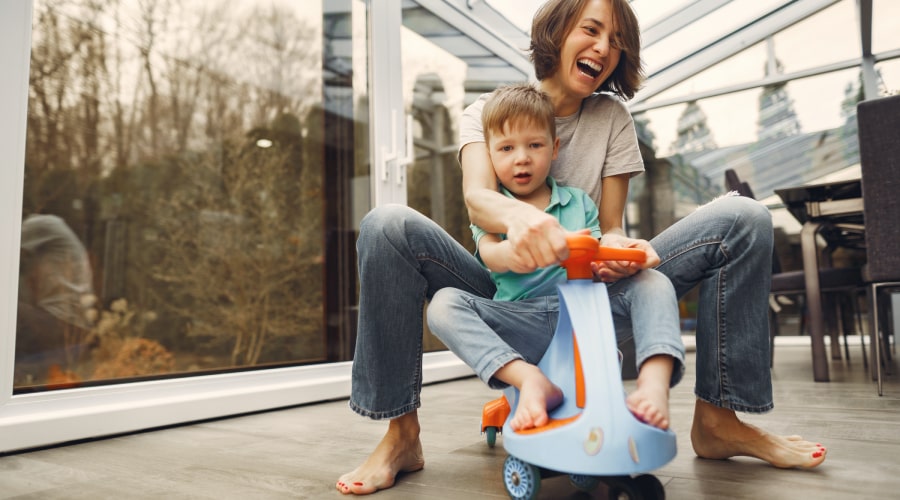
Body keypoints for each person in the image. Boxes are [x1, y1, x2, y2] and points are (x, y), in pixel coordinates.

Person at [337, 0, 826, 495]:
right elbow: (480, 202)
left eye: (616, 42)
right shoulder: (486, 113)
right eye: (591, 30)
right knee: (386, 223)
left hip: (589, 292)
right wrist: (524, 222)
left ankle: (719, 422)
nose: (603, 48)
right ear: (556, 32)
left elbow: (610, 224)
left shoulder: (612, 116)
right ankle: (402, 437)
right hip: (503, 286)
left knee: (745, 216)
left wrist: (616, 249)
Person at [427, 82, 684, 433]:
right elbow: (490, 255)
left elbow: (596, 255)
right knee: (443, 304)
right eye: (506, 148)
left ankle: (653, 385)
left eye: (534, 145)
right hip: (519, 320)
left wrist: (617, 261)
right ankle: (528, 379)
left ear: (554, 148)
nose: (522, 158)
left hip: (582, 315)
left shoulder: (579, 203)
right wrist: (513, 252)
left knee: (653, 281)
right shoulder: (493, 210)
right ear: (489, 154)